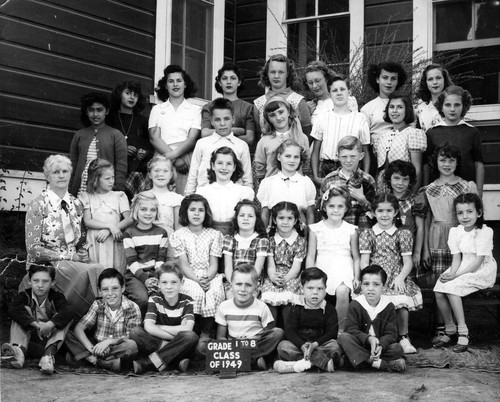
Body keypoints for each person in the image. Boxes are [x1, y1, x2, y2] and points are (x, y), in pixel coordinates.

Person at [23, 154, 104, 319]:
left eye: (65, 171)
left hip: (71, 261)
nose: (61, 175)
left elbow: (80, 239)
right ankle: (71, 315)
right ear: (47, 176)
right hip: (45, 264)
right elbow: (33, 249)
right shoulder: (38, 205)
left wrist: (81, 251)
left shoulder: (76, 204)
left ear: (70, 174)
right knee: (92, 271)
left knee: (101, 270)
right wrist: (68, 256)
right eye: (56, 172)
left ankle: (82, 319)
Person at [421, 144, 478, 344]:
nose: (447, 164)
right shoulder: (429, 189)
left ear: (457, 163)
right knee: (440, 282)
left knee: (455, 282)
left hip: (459, 238)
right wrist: (425, 249)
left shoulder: (465, 186)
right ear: (435, 163)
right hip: (436, 237)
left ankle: (457, 327)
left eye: (451, 160)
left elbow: (474, 217)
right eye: (442, 160)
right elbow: (427, 219)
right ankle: (442, 328)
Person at [359, 193, 423, 354]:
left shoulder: (403, 233)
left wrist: (401, 277)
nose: (385, 215)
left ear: (395, 212)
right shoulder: (368, 233)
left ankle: (403, 337)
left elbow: (407, 262)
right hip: (375, 275)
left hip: (396, 275)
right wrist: (367, 279)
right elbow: (365, 261)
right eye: (380, 211)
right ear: (373, 213)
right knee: (370, 297)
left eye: (389, 210)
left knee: (401, 299)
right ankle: (372, 336)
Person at [433, 194, 497, 353]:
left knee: (452, 288)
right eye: (460, 213)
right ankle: (450, 329)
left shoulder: (485, 231)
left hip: (481, 268)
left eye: (469, 211)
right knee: (439, 288)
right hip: (462, 265)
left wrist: (456, 276)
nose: (465, 216)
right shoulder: (455, 231)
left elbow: (478, 261)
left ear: (479, 213)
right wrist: (452, 273)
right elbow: (456, 258)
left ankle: (463, 332)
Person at [169, 194, 224, 345]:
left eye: (201, 210)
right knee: (196, 292)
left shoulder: (214, 234)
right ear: (185, 212)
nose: (196, 213)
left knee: (214, 292)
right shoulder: (179, 235)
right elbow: (184, 265)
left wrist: (207, 278)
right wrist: (197, 280)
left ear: (206, 213)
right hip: (189, 275)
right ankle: (193, 332)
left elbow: (214, 264)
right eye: (192, 209)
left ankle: (207, 332)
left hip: (209, 274)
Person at [64, 268, 141, 373]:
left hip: (116, 348)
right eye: (105, 289)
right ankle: (97, 360)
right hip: (96, 346)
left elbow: (130, 337)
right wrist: (93, 349)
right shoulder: (98, 305)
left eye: (115, 288)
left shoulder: (132, 307)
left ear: (122, 288)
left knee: (131, 346)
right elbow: (79, 328)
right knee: (66, 332)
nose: (110, 293)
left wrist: (108, 342)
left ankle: (88, 359)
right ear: (99, 291)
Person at [2, 265, 73, 374]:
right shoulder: (24, 295)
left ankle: (47, 358)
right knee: (21, 310)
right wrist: (35, 324)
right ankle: (18, 352)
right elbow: (13, 310)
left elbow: (68, 311)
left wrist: (50, 324)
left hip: (50, 342)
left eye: (45, 281)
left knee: (66, 317)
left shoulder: (57, 297)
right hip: (29, 340)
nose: (40, 285)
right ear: (29, 281)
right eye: (36, 280)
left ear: (52, 282)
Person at [306, 187, 360, 332]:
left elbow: (356, 257)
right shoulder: (315, 229)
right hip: (323, 266)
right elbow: (311, 255)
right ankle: (319, 330)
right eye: (331, 206)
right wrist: (309, 275)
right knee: (317, 291)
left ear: (346, 208)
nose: (335, 210)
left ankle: (339, 330)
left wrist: (357, 276)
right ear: (324, 207)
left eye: (340, 206)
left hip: (344, 267)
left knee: (342, 291)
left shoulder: (351, 230)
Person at [130, 263, 199, 373]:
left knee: (190, 337)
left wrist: (158, 326)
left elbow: (188, 329)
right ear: (158, 284)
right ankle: (176, 359)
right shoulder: (155, 298)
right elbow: (148, 327)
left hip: (179, 339)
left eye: (174, 282)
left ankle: (148, 363)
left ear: (182, 283)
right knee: (135, 332)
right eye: (164, 282)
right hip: (170, 342)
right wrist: (175, 338)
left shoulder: (187, 301)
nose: (169, 287)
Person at [337, 265, 406, 372]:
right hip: (361, 345)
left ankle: (357, 361)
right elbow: (351, 330)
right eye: (366, 284)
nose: (370, 289)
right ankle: (376, 363)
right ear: (361, 286)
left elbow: (391, 334)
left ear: (384, 286)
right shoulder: (356, 304)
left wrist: (381, 346)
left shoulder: (388, 306)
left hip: (378, 349)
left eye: (376, 284)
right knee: (344, 338)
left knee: (397, 349)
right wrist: (368, 339)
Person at [215, 264, 284, 370]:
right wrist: (233, 344)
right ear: (231, 285)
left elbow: (268, 334)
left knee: (277, 333)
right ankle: (252, 360)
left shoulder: (262, 307)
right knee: (204, 347)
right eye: (238, 284)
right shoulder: (224, 307)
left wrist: (251, 340)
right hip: (234, 346)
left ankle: (245, 359)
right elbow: (220, 337)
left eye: (248, 285)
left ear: (256, 286)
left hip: (255, 344)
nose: (243, 289)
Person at [273, 268, 341, 373]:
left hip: (319, 344)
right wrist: (302, 346)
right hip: (300, 346)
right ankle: (321, 363)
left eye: (320, 288)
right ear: (302, 289)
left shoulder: (328, 308)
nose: (315, 292)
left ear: (325, 289)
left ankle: (299, 365)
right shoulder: (296, 307)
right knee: (283, 346)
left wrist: (315, 345)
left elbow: (332, 333)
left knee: (334, 346)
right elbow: (290, 331)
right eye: (310, 288)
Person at [148, 65, 201, 195]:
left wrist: (175, 155)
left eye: (179, 81)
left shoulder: (194, 110)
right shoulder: (158, 109)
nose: (175, 84)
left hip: (186, 157)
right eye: (171, 81)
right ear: (165, 85)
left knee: (184, 198)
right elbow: (154, 138)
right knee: (159, 197)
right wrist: (175, 159)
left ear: (185, 84)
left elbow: (192, 138)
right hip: (162, 156)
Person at [424, 85, 484, 197]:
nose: (452, 109)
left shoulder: (472, 132)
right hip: (438, 195)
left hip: (466, 193)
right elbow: (426, 165)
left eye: (457, 105)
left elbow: (478, 164)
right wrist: (425, 191)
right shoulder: (432, 133)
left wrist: (479, 193)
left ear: (464, 106)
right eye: (447, 105)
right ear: (441, 107)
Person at [185, 97, 252, 194]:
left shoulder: (241, 145)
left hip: (233, 198)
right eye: (217, 120)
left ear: (233, 120)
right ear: (211, 121)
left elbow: (247, 180)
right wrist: (189, 197)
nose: (222, 123)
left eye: (226, 119)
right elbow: (193, 176)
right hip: (205, 199)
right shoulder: (202, 143)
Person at [310, 75, 370, 184]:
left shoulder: (360, 118)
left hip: (352, 167)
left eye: (342, 89)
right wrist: (315, 176)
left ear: (349, 92)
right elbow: (316, 150)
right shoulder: (322, 117)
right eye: (334, 90)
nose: (339, 93)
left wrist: (365, 176)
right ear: (329, 94)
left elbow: (365, 150)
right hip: (327, 168)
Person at [79, 159, 133, 273]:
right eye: (107, 178)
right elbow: (87, 221)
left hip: (113, 238)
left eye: (113, 177)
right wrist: (109, 226)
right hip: (96, 240)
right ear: (96, 179)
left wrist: (111, 229)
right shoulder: (87, 196)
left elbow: (129, 219)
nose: (111, 181)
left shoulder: (119, 196)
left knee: (115, 270)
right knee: (97, 271)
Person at [70, 92, 127, 196]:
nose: (95, 114)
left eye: (99, 110)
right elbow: (72, 166)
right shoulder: (79, 135)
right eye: (91, 110)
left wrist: (118, 192)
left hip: (105, 192)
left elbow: (121, 167)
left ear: (107, 111)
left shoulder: (116, 135)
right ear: (86, 112)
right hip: (81, 191)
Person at [260, 202, 306, 325]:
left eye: (289, 218)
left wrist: (285, 278)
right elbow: (270, 264)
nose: (285, 222)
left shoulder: (300, 241)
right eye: (281, 218)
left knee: (289, 297)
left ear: (295, 220)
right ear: (274, 220)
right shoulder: (270, 239)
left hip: (291, 275)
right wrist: (273, 277)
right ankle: (270, 331)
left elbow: (296, 267)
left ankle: (289, 331)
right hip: (273, 274)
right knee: (269, 294)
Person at [123, 191, 168, 316]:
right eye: (143, 209)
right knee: (142, 299)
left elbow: (161, 259)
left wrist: (155, 277)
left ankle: (157, 326)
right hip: (135, 275)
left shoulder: (161, 233)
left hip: (156, 274)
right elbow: (131, 262)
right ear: (136, 210)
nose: (148, 213)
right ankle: (140, 325)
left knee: (161, 297)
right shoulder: (129, 233)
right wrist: (145, 280)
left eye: (152, 210)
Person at [107, 80, 153, 200]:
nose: (132, 97)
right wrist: (123, 150)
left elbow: (150, 146)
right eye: (128, 93)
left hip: (137, 174)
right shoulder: (110, 118)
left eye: (135, 95)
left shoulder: (143, 121)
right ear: (119, 94)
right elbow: (105, 144)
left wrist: (144, 152)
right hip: (114, 172)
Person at [361, 62, 407, 178]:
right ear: (377, 79)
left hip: (402, 155)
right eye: (385, 78)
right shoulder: (367, 109)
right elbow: (365, 143)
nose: (389, 82)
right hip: (377, 158)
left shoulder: (406, 105)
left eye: (393, 79)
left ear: (398, 81)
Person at [320, 136, 376, 232]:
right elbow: (322, 209)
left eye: (353, 156)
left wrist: (362, 199)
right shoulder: (329, 180)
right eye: (344, 156)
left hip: (362, 231)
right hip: (336, 232)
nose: (348, 160)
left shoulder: (368, 179)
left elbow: (376, 210)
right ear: (338, 156)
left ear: (361, 156)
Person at [257, 140, 316, 228]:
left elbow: (310, 214)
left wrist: (310, 237)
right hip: (275, 231)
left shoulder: (305, 182)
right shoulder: (268, 182)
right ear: (279, 157)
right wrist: (263, 236)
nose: (292, 160)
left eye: (296, 157)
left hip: (300, 232)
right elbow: (265, 214)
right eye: (288, 156)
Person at [197, 147, 254, 236]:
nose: (224, 168)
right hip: (208, 237)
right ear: (213, 166)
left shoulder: (244, 192)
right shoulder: (203, 192)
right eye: (220, 163)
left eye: (229, 164)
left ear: (234, 167)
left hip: (235, 236)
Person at [374, 93, 426, 192]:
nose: (394, 111)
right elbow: (379, 169)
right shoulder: (382, 136)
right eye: (391, 107)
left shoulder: (413, 133)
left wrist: (412, 195)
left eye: (400, 107)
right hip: (383, 189)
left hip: (403, 187)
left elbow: (417, 170)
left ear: (407, 110)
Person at [253, 54, 312, 138]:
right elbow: (259, 136)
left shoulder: (299, 101)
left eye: (281, 72)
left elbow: (307, 136)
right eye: (273, 72)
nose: (276, 76)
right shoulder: (259, 103)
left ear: (287, 74)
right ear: (267, 74)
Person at [383, 161, 426, 272]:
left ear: (410, 181)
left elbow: (420, 228)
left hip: (409, 250)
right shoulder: (384, 200)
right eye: (396, 178)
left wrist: (417, 252)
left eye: (405, 179)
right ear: (389, 179)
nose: (400, 183)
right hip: (387, 250)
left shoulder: (416, 200)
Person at [254, 97, 310, 181]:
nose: (278, 117)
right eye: (272, 115)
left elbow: (306, 165)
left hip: (297, 185)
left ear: (288, 112)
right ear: (268, 119)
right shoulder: (264, 141)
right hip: (273, 187)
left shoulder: (301, 137)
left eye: (281, 112)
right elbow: (260, 168)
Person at [201, 62, 255, 147]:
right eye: (224, 78)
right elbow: (204, 133)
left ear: (239, 82)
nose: (228, 82)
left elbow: (249, 138)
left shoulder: (248, 108)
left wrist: (219, 135)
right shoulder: (209, 107)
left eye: (233, 78)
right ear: (219, 82)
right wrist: (238, 130)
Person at [223, 200, 269, 283]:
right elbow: (228, 268)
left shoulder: (261, 241)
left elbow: (257, 269)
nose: (246, 218)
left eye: (250, 216)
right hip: (233, 282)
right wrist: (233, 284)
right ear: (236, 218)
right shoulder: (229, 239)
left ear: (256, 219)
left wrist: (247, 284)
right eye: (242, 215)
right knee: (230, 295)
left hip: (253, 282)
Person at [302, 60, 358, 126]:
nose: (314, 86)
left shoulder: (346, 101)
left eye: (317, 81)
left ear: (326, 78)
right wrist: (307, 113)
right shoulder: (309, 106)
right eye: (310, 83)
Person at [147, 156, 183, 245]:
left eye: (165, 171)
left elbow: (178, 227)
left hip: (168, 241)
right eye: (156, 170)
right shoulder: (143, 196)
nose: (161, 174)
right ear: (150, 174)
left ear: (171, 175)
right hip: (146, 241)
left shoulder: (176, 199)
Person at [416, 64, 454, 132]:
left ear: (444, 80)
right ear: (425, 82)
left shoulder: (453, 105)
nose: (435, 82)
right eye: (430, 79)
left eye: (438, 78)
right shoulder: (420, 108)